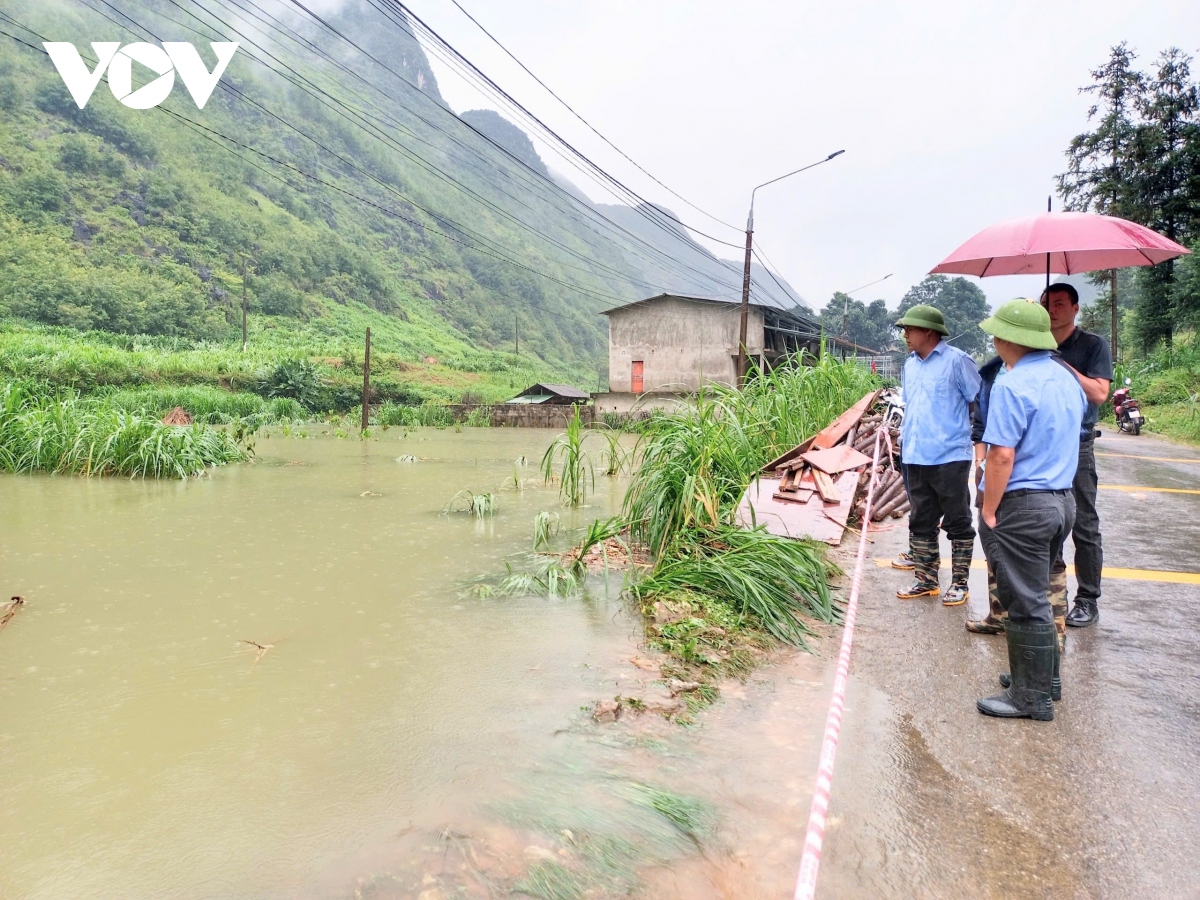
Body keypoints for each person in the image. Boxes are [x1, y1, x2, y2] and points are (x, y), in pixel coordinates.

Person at [975, 300, 1085, 721]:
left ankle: (1030, 697)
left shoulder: (1011, 383)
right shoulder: (1064, 379)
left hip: (1024, 505)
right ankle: (1044, 678)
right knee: (1038, 589)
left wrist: (989, 509)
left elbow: (1002, 455)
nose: (994, 341)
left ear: (1009, 339)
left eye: (997, 334)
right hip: (1061, 501)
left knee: (1024, 599)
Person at [964, 355, 1069, 645]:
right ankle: (1000, 615)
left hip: (1028, 486)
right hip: (1001, 476)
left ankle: (1052, 632)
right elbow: (981, 424)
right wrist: (980, 461)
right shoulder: (992, 374)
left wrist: (988, 507)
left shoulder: (1044, 376)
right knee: (998, 552)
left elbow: (1006, 453)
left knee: (1040, 564)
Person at [893, 305, 981, 606]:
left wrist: (971, 440)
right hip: (915, 454)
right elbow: (912, 407)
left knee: (958, 520)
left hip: (949, 456)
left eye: (910, 329)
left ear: (928, 332)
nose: (905, 335)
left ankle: (960, 583)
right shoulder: (910, 365)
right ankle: (926, 579)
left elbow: (977, 401)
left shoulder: (958, 362)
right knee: (920, 519)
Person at [1041, 284, 1113, 628]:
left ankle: (1087, 599)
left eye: (1058, 304)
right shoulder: (1035, 341)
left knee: (1083, 522)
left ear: (1075, 308)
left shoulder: (1092, 345)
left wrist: (1062, 365)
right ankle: (1049, 594)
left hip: (1079, 443)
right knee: (1046, 519)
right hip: (1042, 443)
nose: (1052, 310)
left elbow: (1099, 393)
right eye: (1046, 304)